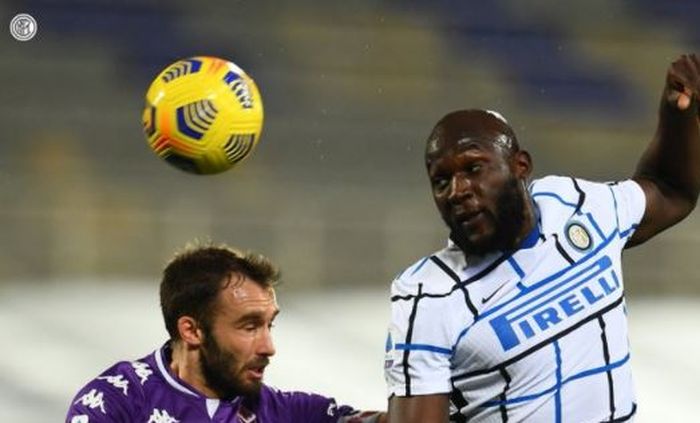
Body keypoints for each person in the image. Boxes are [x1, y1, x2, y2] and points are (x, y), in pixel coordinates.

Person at [384, 54, 700, 422]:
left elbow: (670, 189)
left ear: (520, 166)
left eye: (474, 168)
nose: (458, 191)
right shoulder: (427, 296)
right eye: (441, 181)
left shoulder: (578, 207)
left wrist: (677, 116)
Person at [66, 243, 386, 423]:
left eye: (269, 324)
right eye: (249, 326)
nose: (268, 346)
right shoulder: (118, 401)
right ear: (192, 330)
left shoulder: (282, 413)